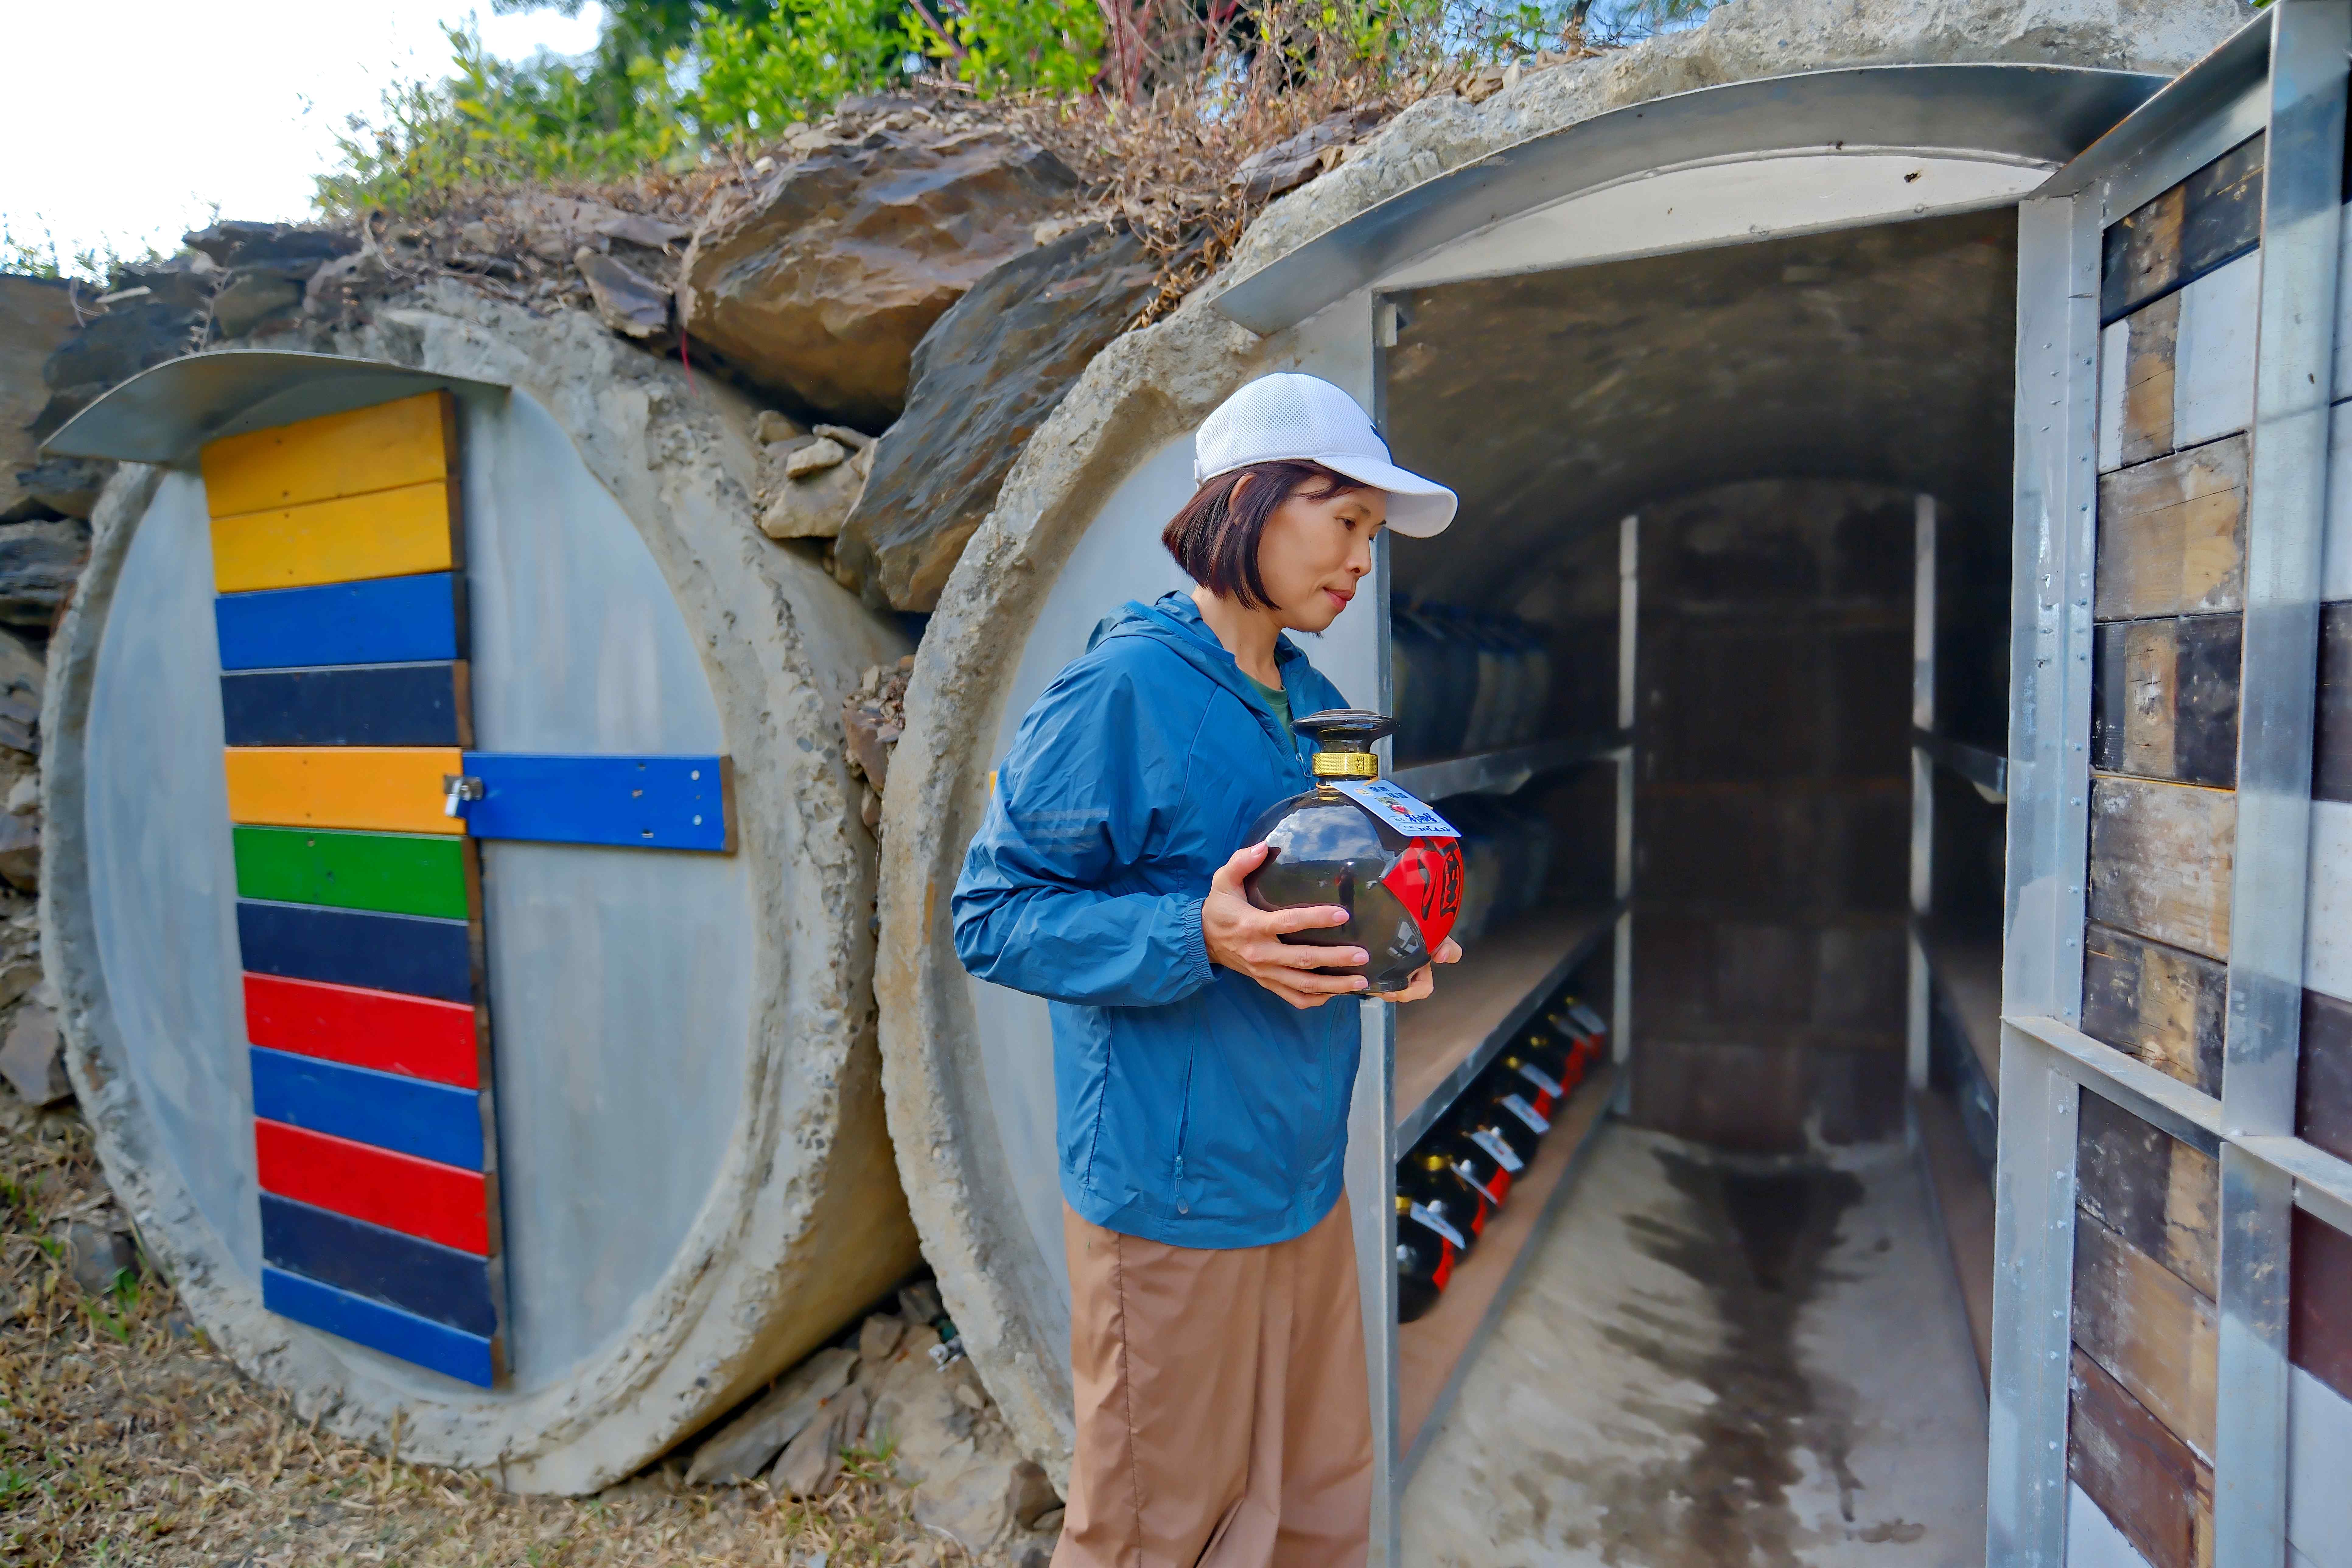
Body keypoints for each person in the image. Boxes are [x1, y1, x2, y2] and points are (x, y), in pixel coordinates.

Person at [953, 372, 1463, 1567]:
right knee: (1154, 1534)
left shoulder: (1312, 703)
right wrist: (1200, 934)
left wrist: (1384, 947)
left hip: (1301, 1182)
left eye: (1373, 538)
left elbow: (1316, 893)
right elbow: (995, 913)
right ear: (1253, 502)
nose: (1360, 562)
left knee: (1319, 1511)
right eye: (1345, 523)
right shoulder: (1122, 690)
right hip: (1174, 1201)